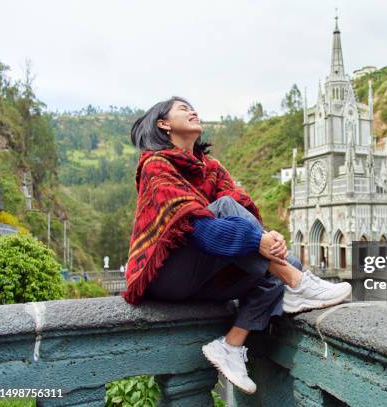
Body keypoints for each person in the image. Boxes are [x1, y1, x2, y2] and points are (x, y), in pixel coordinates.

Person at [122, 96, 352, 394]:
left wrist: (268, 237)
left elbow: (246, 213)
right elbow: (201, 231)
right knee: (231, 213)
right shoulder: (156, 165)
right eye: (183, 109)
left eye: (193, 107)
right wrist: (260, 240)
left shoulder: (210, 167)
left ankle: (230, 346)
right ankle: (298, 282)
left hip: (202, 277)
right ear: (163, 124)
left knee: (269, 269)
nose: (193, 111)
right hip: (167, 277)